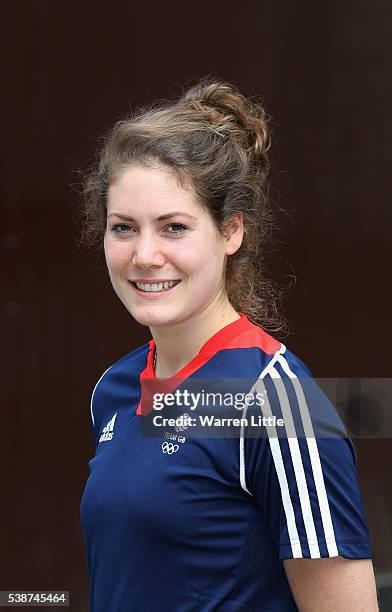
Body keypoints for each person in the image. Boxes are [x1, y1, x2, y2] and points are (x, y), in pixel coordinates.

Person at [79, 77, 379, 611]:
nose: (145, 255)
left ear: (231, 232)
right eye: (124, 227)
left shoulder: (276, 402)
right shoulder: (115, 389)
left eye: (173, 227)